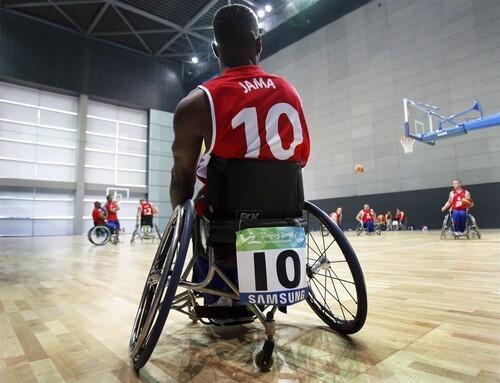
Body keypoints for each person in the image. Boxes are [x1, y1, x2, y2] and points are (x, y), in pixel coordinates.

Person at [168, 4, 310, 308]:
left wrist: (180, 219)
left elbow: (183, 178)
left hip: (228, 225)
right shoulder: (289, 92)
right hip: (285, 217)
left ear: (216, 49)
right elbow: (301, 158)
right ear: (258, 44)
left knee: (198, 203)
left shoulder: (195, 104)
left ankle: (217, 291)